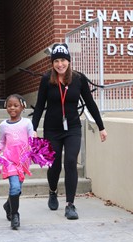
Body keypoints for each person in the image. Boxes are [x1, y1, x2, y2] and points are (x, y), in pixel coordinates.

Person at [32, 43, 107, 220]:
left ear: (69, 61)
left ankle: (70, 204)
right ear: (52, 63)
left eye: (63, 60)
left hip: (72, 127)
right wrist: (33, 128)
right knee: (55, 165)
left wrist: (101, 126)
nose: (60, 64)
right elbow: (40, 105)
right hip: (52, 129)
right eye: (56, 61)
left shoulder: (78, 79)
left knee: (71, 161)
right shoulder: (46, 80)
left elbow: (90, 103)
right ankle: (52, 191)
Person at [0, 94, 34, 230]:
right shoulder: (3, 125)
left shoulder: (27, 123)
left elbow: (32, 139)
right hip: (9, 160)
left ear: (22, 106)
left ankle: (8, 205)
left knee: (17, 189)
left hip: (23, 161)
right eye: (9, 105)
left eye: (16, 105)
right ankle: (15, 214)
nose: (12, 108)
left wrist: (36, 148)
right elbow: (2, 141)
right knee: (15, 187)